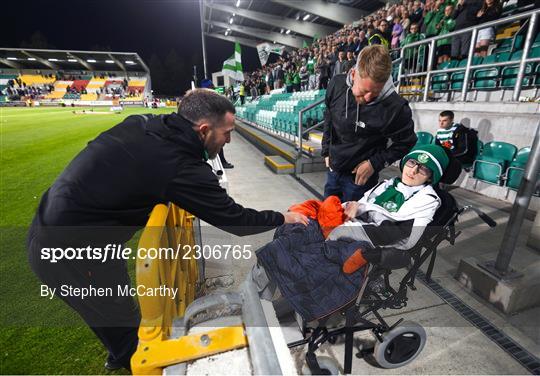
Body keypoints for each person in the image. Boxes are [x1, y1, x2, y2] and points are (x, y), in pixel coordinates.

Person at [26, 89, 308, 372]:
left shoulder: (145, 123)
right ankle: (126, 356)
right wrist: (282, 218)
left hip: (65, 224)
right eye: (226, 133)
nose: (229, 140)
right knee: (122, 326)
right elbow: (235, 220)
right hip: (66, 247)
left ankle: (119, 350)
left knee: (117, 307)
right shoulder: (179, 166)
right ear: (204, 130)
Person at [253, 144, 451, 321]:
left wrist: (346, 229)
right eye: (412, 163)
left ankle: (284, 304)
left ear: (431, 177)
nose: (413, 170)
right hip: (350, 226)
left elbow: (401, 236)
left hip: (369, 241)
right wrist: (341, 210)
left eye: (423, 169)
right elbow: (361, 204)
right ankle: (261, 292)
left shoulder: (427, 200)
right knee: (293, 231)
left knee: (313, 259)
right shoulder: (388, 184)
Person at [321, 45, 417, 203]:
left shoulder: (395, 108)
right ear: (353, 74)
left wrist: (375, 163)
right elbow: (329, 116)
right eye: (364, 91)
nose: (368, 99)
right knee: (327, 219)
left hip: (359, 180)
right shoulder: (337, 84)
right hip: (333, 169)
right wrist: (326, 150)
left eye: (376, 93)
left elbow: (406, 143)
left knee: (352, 226)